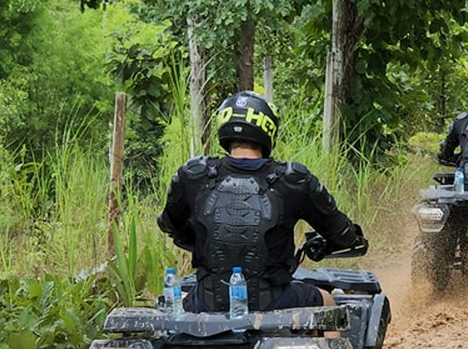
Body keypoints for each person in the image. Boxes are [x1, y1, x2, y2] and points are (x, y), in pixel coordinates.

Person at [157, 90, 366, 313]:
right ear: (268, 129)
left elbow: (170, 226)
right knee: (328, 301)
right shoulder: (293, 180)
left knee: (176, 302)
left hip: (207, 302)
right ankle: (336, 348)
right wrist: (325, 245)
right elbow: (343, 235)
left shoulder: (193, 176)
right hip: (274, 302)